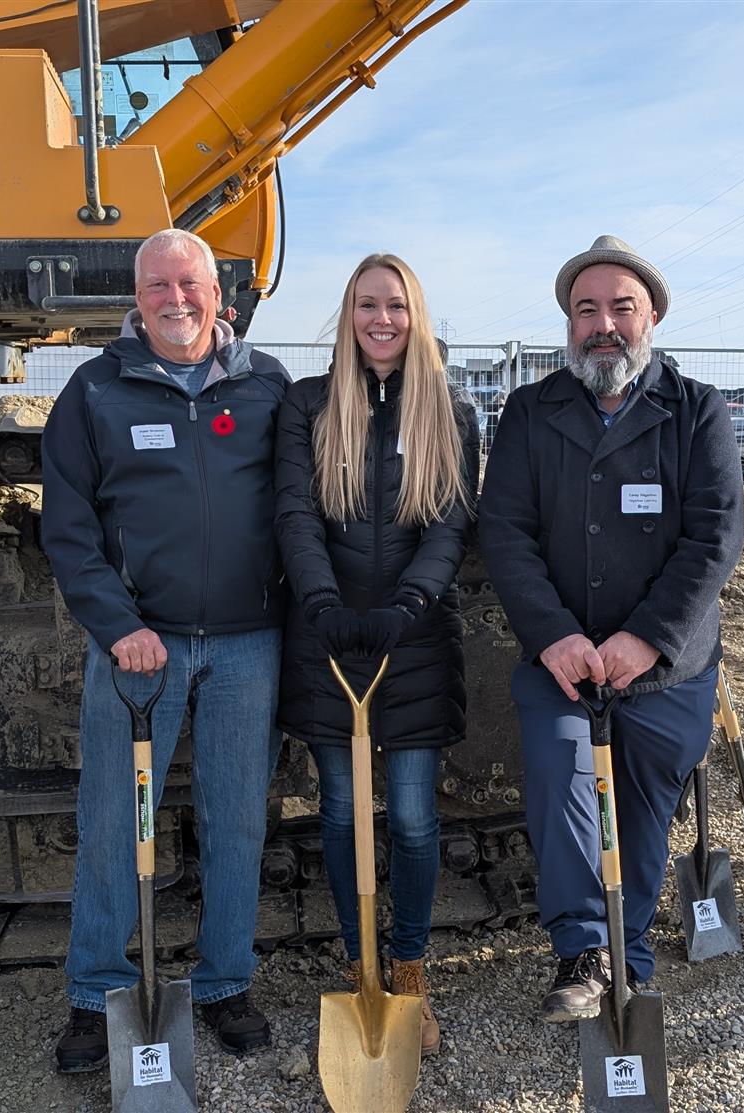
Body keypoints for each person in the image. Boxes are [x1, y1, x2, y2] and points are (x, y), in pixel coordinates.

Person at [42, 227, 292, 1068]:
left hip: (248, 644)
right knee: (116, 818)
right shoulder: (94, 390)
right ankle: (96, 993)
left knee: (239, 819)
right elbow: (70, 530)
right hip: (138, 650)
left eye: (190, 285)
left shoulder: (267, 386)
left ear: (220, 294)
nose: (176, 300)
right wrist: (120, 627)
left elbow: (300, 507)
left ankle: (225, 979)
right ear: (136, 295)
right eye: (158, 286)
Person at [479, 235, 744, 1023]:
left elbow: (715, 534)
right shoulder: (530, 411)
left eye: (620, 307)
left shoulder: (697, 410)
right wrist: (554, 633)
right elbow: (505, 530)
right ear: (568, 322)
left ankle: (626, 955)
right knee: (564, 779)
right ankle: (588, 947)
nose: (603, 324)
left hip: (666, 667)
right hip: (560, 659)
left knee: (638, 809)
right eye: (585, 308)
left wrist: (647, 637)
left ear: (652, 315)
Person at [272, 254, 480, 1056]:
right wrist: (320, 600)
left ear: (415, 314)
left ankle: (410, 967)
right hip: (328, 643)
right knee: (339, 811)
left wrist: (411, 602)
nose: (381, 319)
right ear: (348, 314)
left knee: (417, 818)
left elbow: (452, 523)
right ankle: (359, 959)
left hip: (414, 640)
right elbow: (295, 511)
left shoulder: (450, 411)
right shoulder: (309, 405)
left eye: (395, 304)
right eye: (366, 304)